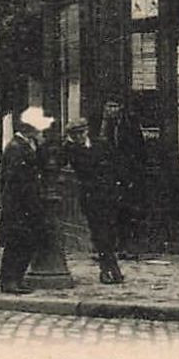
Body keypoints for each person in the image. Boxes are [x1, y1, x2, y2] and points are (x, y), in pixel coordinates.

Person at [0, 106, 51, 295]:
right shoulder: (15, 148)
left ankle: (17, 279)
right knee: (16, 243)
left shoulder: (28, 144)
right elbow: (14, 181)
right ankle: (8, 280)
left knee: (27, 242)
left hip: (28, 203)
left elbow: (42, 165)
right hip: (18, 204)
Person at [63, 118, 124, 284]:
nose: (79, 137)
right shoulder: (71, 149)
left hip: (109, 195)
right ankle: (108, 270)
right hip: (91, 198)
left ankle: (112, 268)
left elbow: (115, 165)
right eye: (75, 135)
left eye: (81, 133)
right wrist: (68, 144)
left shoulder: (101, 144)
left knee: (110, 233)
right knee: (99, 234)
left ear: (87, 131)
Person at [96, 98, 147, 256]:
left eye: (113, 106)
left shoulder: (129, 125)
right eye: (108, 106)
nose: (110, 110)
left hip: (126, 174)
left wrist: (131, 174)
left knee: (126, 211)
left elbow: (139, 150)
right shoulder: (102, 124)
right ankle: (111, 246)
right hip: (107, 175)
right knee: (108, 212)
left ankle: (126, 245)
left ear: (120, 108)